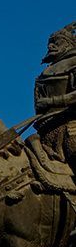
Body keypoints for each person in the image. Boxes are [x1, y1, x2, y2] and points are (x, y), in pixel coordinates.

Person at [34, 22, 76, 165]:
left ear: (68, 43)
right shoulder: (46, 71)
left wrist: (50, 102)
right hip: (45, 132)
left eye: (56, 42)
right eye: (50, 43)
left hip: (71, 127)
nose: (51, 46)